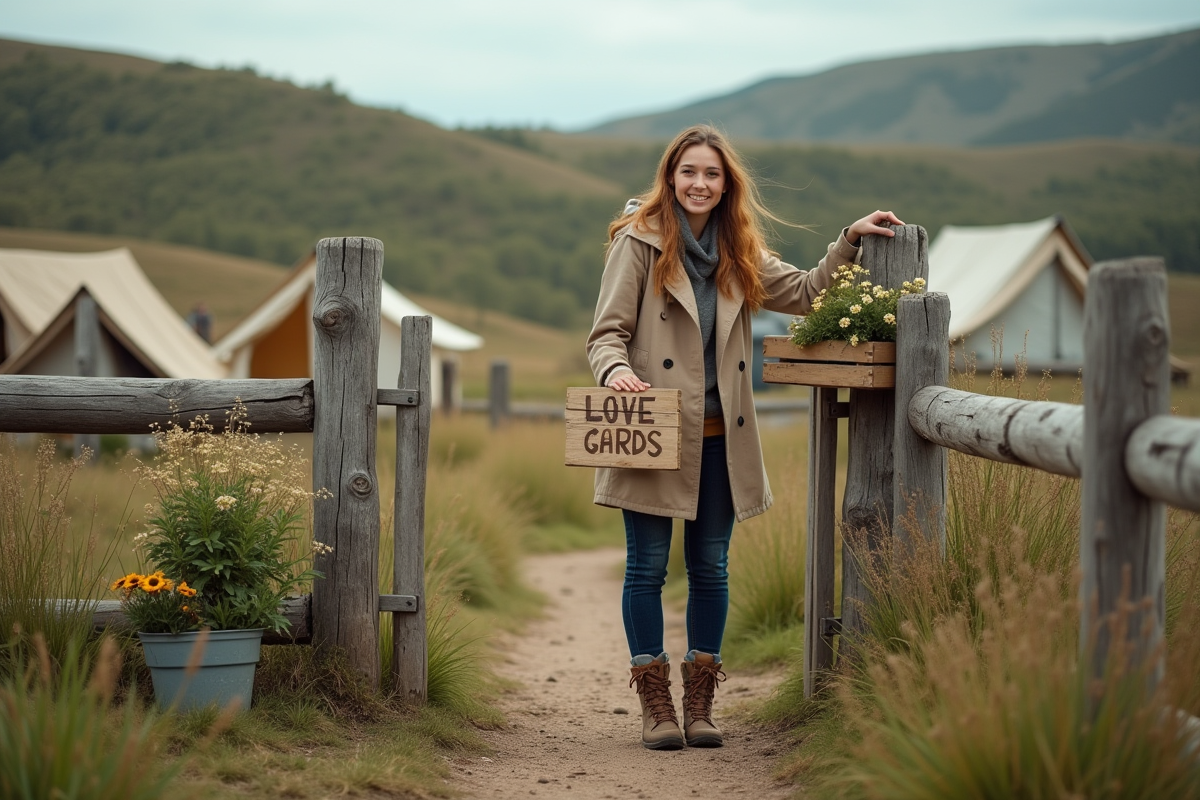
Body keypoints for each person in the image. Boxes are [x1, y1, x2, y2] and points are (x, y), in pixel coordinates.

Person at [586, 124, 902, 750]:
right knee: (647, 567)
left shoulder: (740, 251)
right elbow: (605, 334)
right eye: (688, 173)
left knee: (711, 568)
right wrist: (616, 370)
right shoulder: (638, 242)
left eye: (711, 174)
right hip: (655, 431)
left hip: (718, 439)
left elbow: (809, 294)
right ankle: (655, 704)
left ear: (726, 184)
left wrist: (848, 240)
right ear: (669, 179)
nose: (699, 184)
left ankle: (700, 705)